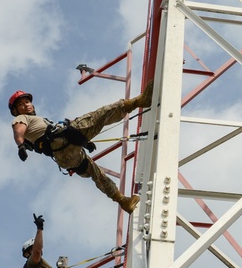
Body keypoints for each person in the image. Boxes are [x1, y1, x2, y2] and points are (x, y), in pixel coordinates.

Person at [9, 81, 153, 213]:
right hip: (62, 140)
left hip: (64, 157)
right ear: (16, 111)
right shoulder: (21, 119)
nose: (26, 105)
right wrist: (20, 146)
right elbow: (18, 131)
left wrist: (83, 142)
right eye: (21, 104)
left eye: (27, 101)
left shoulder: (37, 121)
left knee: (96, 173)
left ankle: (123, 201)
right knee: (99, 115)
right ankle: (139, 101)